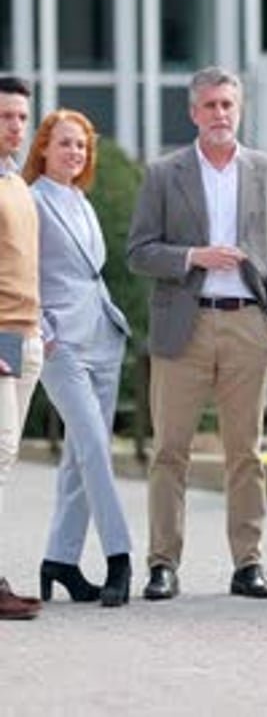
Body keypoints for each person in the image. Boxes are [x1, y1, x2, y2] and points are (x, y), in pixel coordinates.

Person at [127, 65, 267, 600]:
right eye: (210, 106)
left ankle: (249, 563)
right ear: (193, 112)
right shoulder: (163, 173)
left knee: (245, 451)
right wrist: (194, 256)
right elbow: (139, 252)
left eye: (228, 104)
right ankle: (162, 564)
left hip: (249, 324)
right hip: (185, 324)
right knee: (169, 450)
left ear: (238, 108)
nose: (220, 114)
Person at [23, 109, 132, 607]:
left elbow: (91, 272)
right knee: (93, 448)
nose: (75, 153)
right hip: (60, 343)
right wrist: (40, 324)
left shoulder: (82, 202)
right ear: (43, 147)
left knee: (76, 457)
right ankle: (120, 556)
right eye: (65, 143)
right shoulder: (31, 201)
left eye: (82, 146)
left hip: (102, 338)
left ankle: (61, 560)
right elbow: (18, 269)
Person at [0, 76, 43, 620]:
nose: (15, 126)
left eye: (20, 118)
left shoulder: (17, 183)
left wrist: (42, 326)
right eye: (6, 116)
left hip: (26, 335)